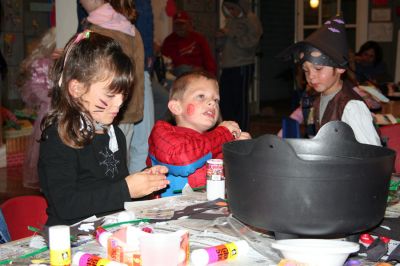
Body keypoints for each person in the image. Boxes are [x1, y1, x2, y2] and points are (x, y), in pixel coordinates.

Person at [39, 31, 169, 226]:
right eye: (110, 95)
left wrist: (144, 184)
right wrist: (127, 189)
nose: (119, 104)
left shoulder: (114, 134)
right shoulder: (59, 137)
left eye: (123, 95)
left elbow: (114, 196)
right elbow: (66, 205)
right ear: (76, 89)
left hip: (109, 231)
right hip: (70, 239)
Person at [279, 15, 381, 146]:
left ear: (340, 68)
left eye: (318, 68)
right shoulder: (316, 98)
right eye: (306, 70)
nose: (311, 76)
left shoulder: (351, 107)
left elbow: (372, 152)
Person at [147, 71, 251, 197]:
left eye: (216, 99)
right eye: (201, 96)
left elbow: (240, 182)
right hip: (170, 213)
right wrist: (222, 134)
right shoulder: (161, 132)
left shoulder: (217, 142)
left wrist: (242, 153)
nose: (212, 103)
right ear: (176, 107)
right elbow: (184, 160)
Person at [79, 0, 145, 157]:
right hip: (126, 108)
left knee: (101, 163)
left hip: (105, 110)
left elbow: (90, 70)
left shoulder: (98, 31)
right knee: (120, 162)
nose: (80, 2)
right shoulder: (129, 27)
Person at [17, 27, 56, 189]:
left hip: (59, 109)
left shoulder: (60, 62)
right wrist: (53, 98)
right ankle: (45, 180)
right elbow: (36, 87)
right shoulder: (41, 63)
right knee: (44, 147)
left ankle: (56, 178)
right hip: (48, 111)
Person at [217, 0, 263, 132]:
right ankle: (228, 131)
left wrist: (230, 34)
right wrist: (221, 38)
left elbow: (251, 43)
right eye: (228, 9)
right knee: (225, 99)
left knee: (240, 102)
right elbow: (227, 42)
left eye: (233, 8)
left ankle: (242, 132)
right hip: (227, 65)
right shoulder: (231, 20)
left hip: (243, 64)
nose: (231, 11)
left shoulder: (251, 20)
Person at [161, 10, 217, 77]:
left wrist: (210, 74)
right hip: (179, 73)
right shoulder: (169, 41)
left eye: (182, 24)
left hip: (199, 73)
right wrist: (192, 69)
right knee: (183, 68)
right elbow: (167, 61)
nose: (179, 27)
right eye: (177, 24)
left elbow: (208, 59)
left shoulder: (199, 38)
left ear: (189, 24)